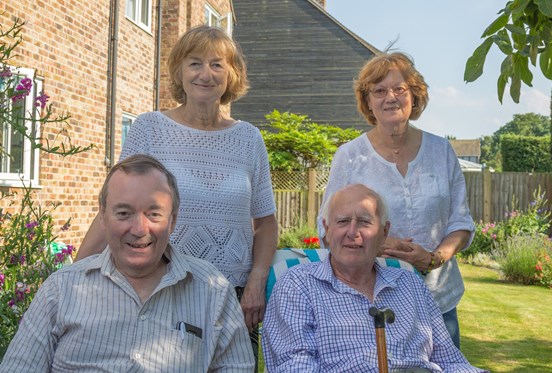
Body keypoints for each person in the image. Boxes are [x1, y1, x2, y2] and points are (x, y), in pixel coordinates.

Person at [76, 25, 278, 366]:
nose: (205, 74)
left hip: (235, 298)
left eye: (217, 64)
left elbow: (267, 223)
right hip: (162, 290)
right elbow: (117, 209)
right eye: (194, 63)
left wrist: (257, 281)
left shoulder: (249, 138)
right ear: (180, 72)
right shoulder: (150, 128)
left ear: (232, 74)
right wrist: (75, 276)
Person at [0, 154, 254, 372]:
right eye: (124, 213)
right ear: (103, 217)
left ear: (172, 221)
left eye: (153, 214)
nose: (139, 229)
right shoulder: (61, 289)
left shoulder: (211, 289)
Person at [318, 52, 474, 349]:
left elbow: (460, 221)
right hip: (373, 300)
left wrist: (433, 258)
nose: (390, 97)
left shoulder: (442, 151)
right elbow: (326, 226)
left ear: (414, 96)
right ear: (368, 102)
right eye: (379, 91)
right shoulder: (350, 156)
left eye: (399, 89)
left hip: (438, 299)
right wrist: (376, 243)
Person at [263, 184, 486, 372]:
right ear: (327, 230)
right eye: (342, 221)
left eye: (364, 222)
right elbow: (294, 366)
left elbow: (451, 361)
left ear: (384, 232)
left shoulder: (409, 283)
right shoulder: (298, 285)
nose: (353, 232)